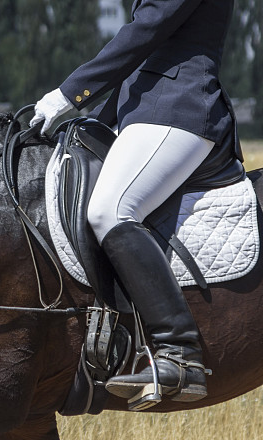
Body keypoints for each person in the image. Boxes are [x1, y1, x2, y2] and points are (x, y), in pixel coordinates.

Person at [30, 0, 241, 408]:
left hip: (178, 105)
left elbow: (149, 28)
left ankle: (180, 355)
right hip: (137, 109)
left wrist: (71, 93)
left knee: (110, 209)